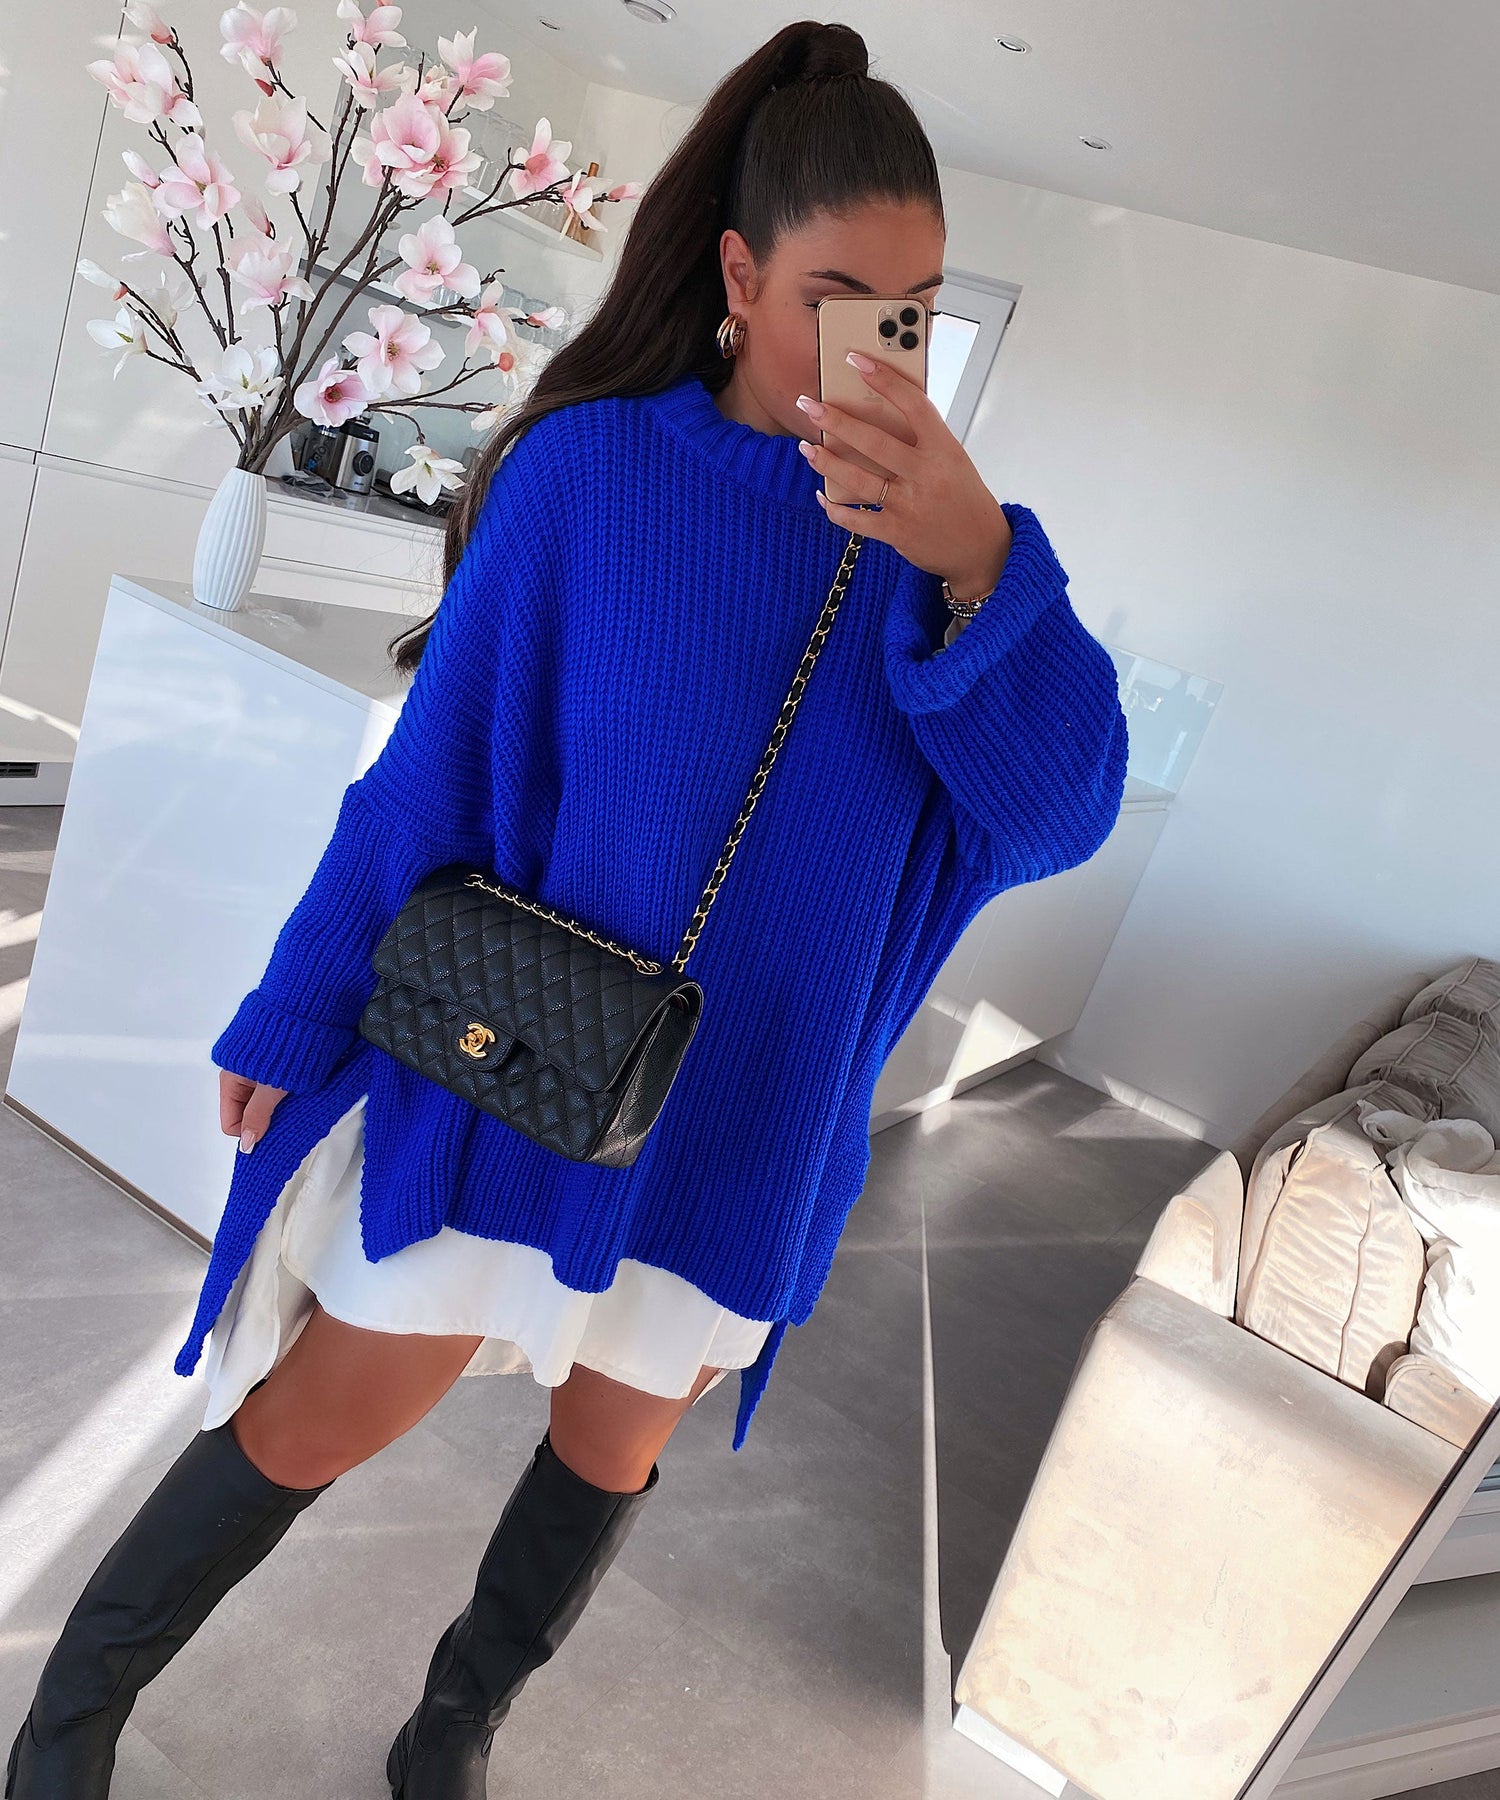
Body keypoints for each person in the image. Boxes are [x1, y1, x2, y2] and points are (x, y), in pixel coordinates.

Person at [5, 16, 1129, 1800]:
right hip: (509, 1065)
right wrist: (297, 1003)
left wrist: (980, 562)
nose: (879, 353)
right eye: (840, 300)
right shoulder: (589, 478)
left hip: (740, 1119)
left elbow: (1061, 815)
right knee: (321, 1409)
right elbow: (432, 780)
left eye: (911, 316)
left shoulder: (951, 557)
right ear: (741, 279)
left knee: (610, 1454)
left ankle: (453, 1726)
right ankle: (66, 1724)